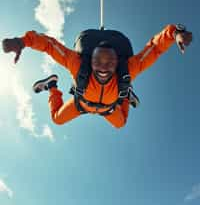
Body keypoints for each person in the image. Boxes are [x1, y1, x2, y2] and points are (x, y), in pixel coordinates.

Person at [2, 24, 192, 128]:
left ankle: (126, 94)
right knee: (57, 119)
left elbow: (154, 48)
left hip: (107, 108)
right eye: (98, 61)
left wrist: (175, 33)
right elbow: (50, 45)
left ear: (117, 62)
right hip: (81, 104)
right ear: (90, 61)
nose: (103, 67)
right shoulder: (78, 65)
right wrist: (23, 41)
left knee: (121, 124)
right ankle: (52, 85)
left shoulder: (126, 70)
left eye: (110, 62)